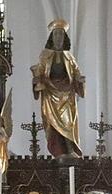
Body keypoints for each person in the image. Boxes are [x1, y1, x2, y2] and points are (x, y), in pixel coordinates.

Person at [31, 19, 85, 159]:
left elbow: (76, 73)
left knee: (68, 122)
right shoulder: (45, 55)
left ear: (65, 38)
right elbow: (40, 72)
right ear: (52, 37)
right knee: (53, 125)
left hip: (67, 95)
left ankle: (70, 149)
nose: (58, 37)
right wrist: (37, 80)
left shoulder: (70, 56)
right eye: (56, 34)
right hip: (50, 94)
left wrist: (79, 81)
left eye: (61, 34)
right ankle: (59, 152)